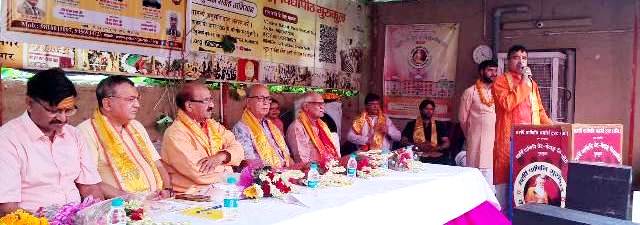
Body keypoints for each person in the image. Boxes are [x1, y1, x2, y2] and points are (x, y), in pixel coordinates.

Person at [0, 68, 103, 215]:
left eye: (68, 110)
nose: (62, 119)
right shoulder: (7, 140)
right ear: (29, 103)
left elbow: (90, 188)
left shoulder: (74, 135)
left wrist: (98, 217)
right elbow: (7, 208)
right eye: (54, 110)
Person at [77, 76, 172, 199]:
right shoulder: (86, 131)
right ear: (107, 103)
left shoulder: (136, 126)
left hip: (158, 202)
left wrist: (167, 189)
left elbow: (157, 164)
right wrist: (131, 198)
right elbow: (90, 183)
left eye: (137, 99)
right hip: (121, 209)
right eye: (130, 99)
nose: (137, 105)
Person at [493, 45, 552, 201]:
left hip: (531, 143)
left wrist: (554, 130)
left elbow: (539, 110)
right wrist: (524, 82)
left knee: (529, 186)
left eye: (524, 58)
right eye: (516, 57)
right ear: (508, 61)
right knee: (506, 190)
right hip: (509, 143)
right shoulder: (501, 81)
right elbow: (507, 104)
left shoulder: (532, 84)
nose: (521, 61)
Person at [161, 82, 243, 194]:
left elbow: (238, 148)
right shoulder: (175, 133)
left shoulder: (213, 126)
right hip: (190, 198)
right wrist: (228, 169)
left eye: (211, 99)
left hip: (219, 191)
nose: (212, 105)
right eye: (206, 101)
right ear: (189, 106)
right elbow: (199, 173)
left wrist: (221, 156)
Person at [232, 85, 292, 169]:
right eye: (260, 98)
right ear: (248, 102)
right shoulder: (241, 128)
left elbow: (286, 155)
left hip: (285, 172)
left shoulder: (270, 125)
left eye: (268, 98)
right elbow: (249, 162)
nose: (266, 102)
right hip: (263, 176)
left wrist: (295, 168)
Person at [458, 60, 498, 184]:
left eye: (495, 70)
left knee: (490, 179)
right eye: (490, 70)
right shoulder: (470, 92)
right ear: (481, 72)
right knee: (475, 177)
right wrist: (471, 136)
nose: (493, 73)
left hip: (493, 143)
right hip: (475, 142)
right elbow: (462, 119)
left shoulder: (497, 92)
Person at [286, 92, 340, 166]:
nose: (322, 107)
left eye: (323, 104)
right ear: (306, 106)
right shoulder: (297, 127)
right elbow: (301, 160)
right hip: (311, 171)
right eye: (319, 104)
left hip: (328, 167)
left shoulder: (323, 125)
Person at [401, 99, 451, 165]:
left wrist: (436, 148)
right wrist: (417, 146)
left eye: (431, 109)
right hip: (417, 154)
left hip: (435, 155)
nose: (429, 111)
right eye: (426, 109)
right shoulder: (411, 124)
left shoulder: (439, 125)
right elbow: (403, 141)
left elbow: (447, 142)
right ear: (421, 110)